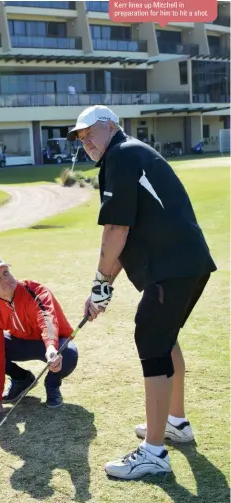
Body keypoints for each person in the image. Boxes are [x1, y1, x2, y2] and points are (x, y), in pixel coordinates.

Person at [67, 105, 216, 480]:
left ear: (112, 125)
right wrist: (103, 287)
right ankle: (175, 424)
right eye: (80, 139)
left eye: (90, 133)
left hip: (173, 268)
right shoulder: (130, 152)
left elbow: (116, 230)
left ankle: (154, 453)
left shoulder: (120, 154)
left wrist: (100, 282)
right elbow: (127, 232)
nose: (86, 143)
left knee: (150, 337)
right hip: (187, 264)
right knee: (164, 339)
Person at [0, 258, 78, 416]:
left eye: (5, 273)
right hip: (20, 343)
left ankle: (52, 384)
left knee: (69, 354)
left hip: (49, 343)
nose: (5, 279)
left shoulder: (35, 290)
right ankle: (22, 379)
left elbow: (47, 319)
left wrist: (51, 347)